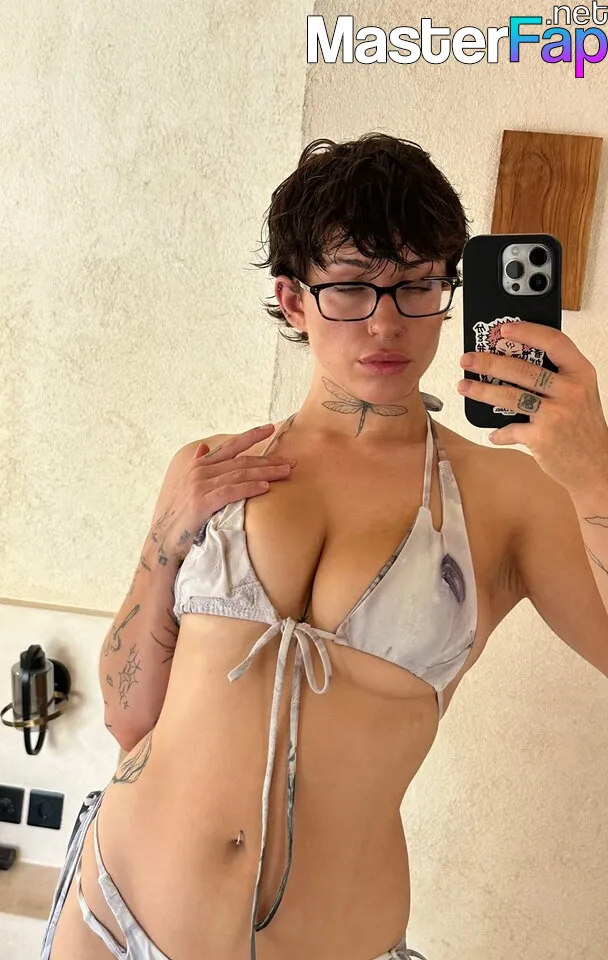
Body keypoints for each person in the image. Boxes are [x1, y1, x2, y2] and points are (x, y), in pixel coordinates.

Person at [41, 133, 608, 960]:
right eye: (350, 286)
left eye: (417, 284)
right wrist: (166, 539)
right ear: (294, 299)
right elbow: (130, 718)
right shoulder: (212, 465)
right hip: (112, 913)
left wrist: (594, 473)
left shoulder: (509, 497)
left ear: (449, 292)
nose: (387, 321)